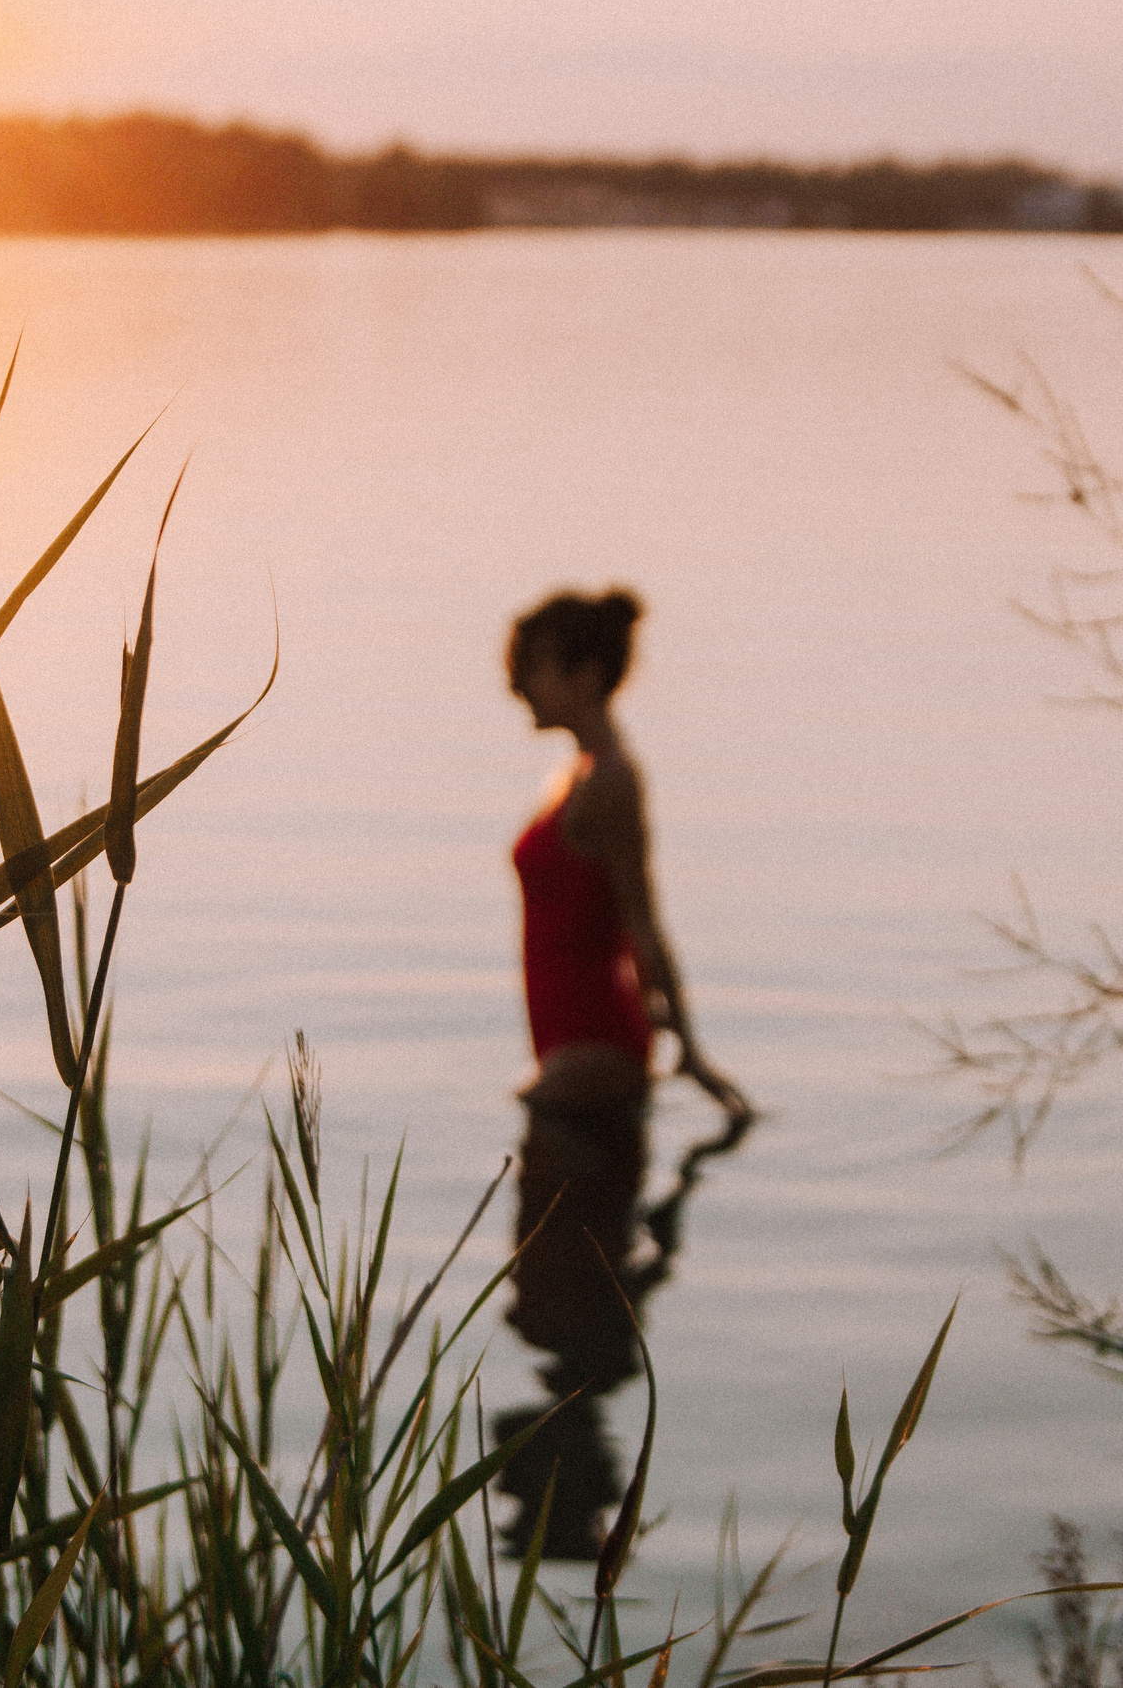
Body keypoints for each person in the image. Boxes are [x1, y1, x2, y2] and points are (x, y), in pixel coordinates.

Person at [492, 587, 752, 1557]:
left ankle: (574, 1486)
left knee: (560, 1293)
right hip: (578, 1058)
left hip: (592, 1062)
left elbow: (642, 923)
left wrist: (690, 1046)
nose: (516, 683)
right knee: (554, 1291)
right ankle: (573, 1465)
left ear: (583, 670)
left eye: (533, 664)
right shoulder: (582, 773)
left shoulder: (612, 781)